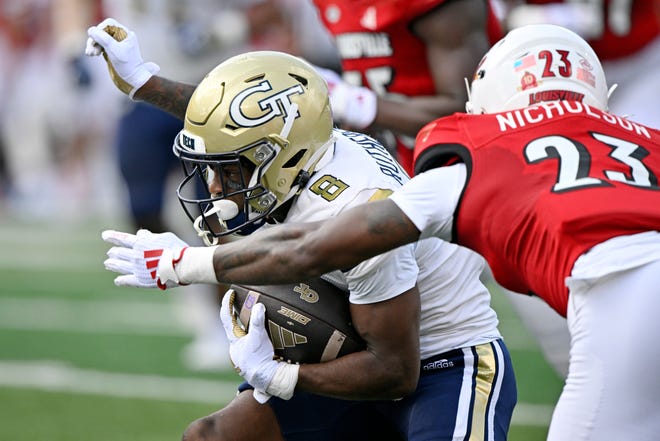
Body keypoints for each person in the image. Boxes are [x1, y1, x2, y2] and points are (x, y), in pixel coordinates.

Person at [100, 24, 660, 441]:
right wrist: (146, 84)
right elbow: (241, 134)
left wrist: (278, 368)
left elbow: (394, 367)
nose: (220, 189)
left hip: (444, 362)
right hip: (369, 338)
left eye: (233, 172)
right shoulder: (305, 151)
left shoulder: (389, 187)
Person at [308, 0, 504, 175]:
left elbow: (472, 110)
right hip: (396, 167)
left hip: (464, 169)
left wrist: (353, 102)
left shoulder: (440, 7)